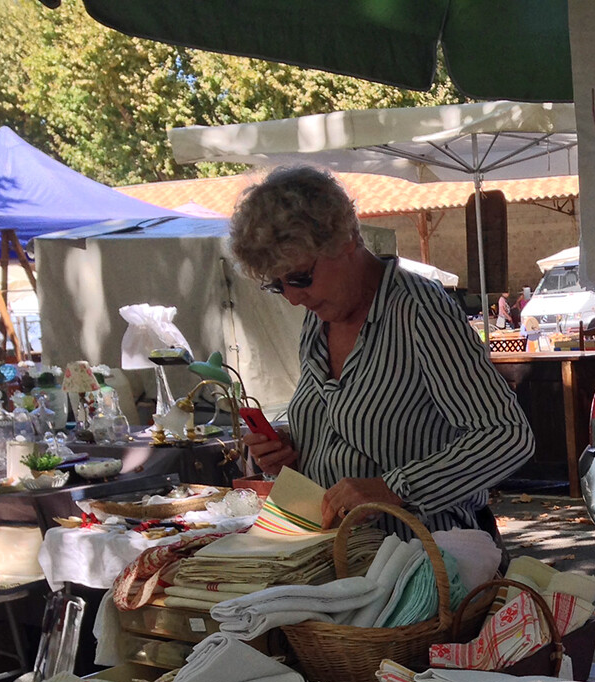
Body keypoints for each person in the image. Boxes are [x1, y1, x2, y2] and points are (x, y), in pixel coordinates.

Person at [228, 166, 534, 531]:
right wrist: (289, 450)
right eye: (278, 286)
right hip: (337, 554)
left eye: (299, 278)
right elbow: (342, 434)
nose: (293, 298)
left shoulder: (419, 311)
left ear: (344, 240)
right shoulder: (318, 320)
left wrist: (393, 487)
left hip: (418, 558)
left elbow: (507, 435)